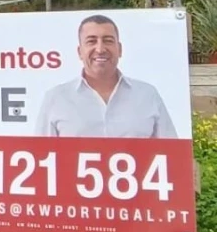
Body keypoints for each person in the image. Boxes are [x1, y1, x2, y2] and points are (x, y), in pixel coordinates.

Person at [34, 14, 177, 139]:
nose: (100, 49)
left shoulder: (148, 95)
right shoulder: (56, 98)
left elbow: (172, 153)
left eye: (108, 40)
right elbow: (40, 158)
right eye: (91, 41)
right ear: (80, 52)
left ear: (119, 49)